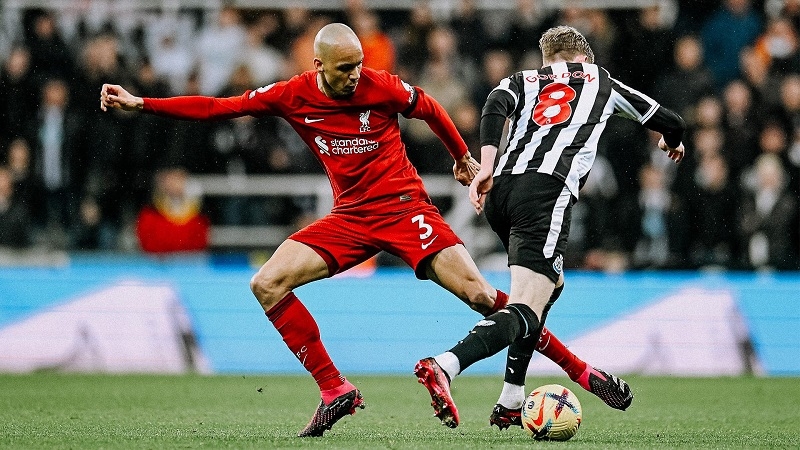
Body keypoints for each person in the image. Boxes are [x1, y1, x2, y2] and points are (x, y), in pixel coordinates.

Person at [100, 23, 629, 437]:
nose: (355, 77)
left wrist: (463, 158)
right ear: (318, 66)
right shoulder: (293, 94)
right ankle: (334, 388)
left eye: (358, 67)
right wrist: (142, 103)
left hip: (405, 210)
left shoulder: (378, 85)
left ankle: (582, 371)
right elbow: (221, 107)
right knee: (266, 283)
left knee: (481, 295)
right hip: (349, 218)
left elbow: (430, 108)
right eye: (344, 69)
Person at [414, 25, 686, 429]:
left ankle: (512, 396)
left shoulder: (523, 79)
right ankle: (446, 364)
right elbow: (669, 118)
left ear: (548, 61)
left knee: (549, 287)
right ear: (586, 59)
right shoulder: (602, 82)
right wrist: (672, 141)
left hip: (501, 191)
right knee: (525, 305)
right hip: (546, 190)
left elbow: (493, 105)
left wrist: (486, 165)